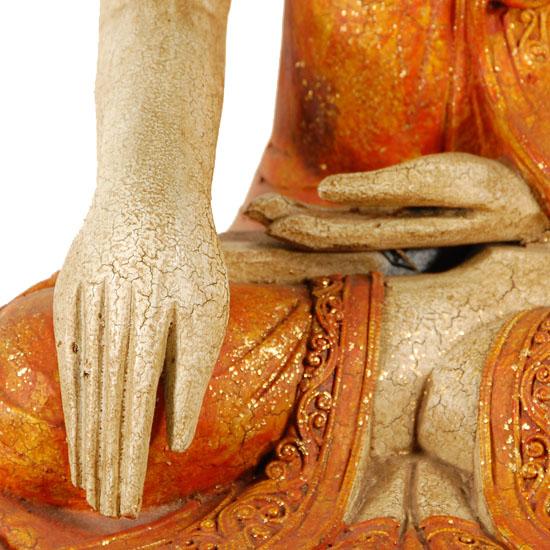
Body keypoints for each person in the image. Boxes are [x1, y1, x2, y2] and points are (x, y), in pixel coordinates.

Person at [1, 0, 549, 547]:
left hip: (532, 285)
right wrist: (148, 201)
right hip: (314, 251)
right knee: (28, 388)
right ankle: (439, 386)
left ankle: (420, 385)